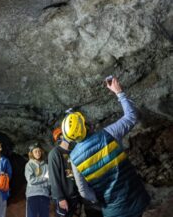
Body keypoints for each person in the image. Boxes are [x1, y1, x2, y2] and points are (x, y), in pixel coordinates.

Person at [64, 77, 150, 217]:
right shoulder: (108, 134)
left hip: (112, 210)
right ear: (85, 126)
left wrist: (99, 200)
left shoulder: (74, 159)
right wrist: (119, 92)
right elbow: (131, 116)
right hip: (135, 199)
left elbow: (84, 192)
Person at [48, 127, 82, 217]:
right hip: (65, 198)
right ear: (61, 137)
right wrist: (60, 198)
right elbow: (53, 178)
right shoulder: (55, 153)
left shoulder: (72, 152)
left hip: (75, 196)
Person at [25, 142, 50, 217]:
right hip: (32, 195)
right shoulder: (29, 165)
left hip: (44, 194)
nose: (38, 153)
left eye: (39, 151)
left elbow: (49, 182)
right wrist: (44, 178)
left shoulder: (46, 165)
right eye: (35, 151)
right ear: (31, 153)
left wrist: (43, 181)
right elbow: (31, 180)